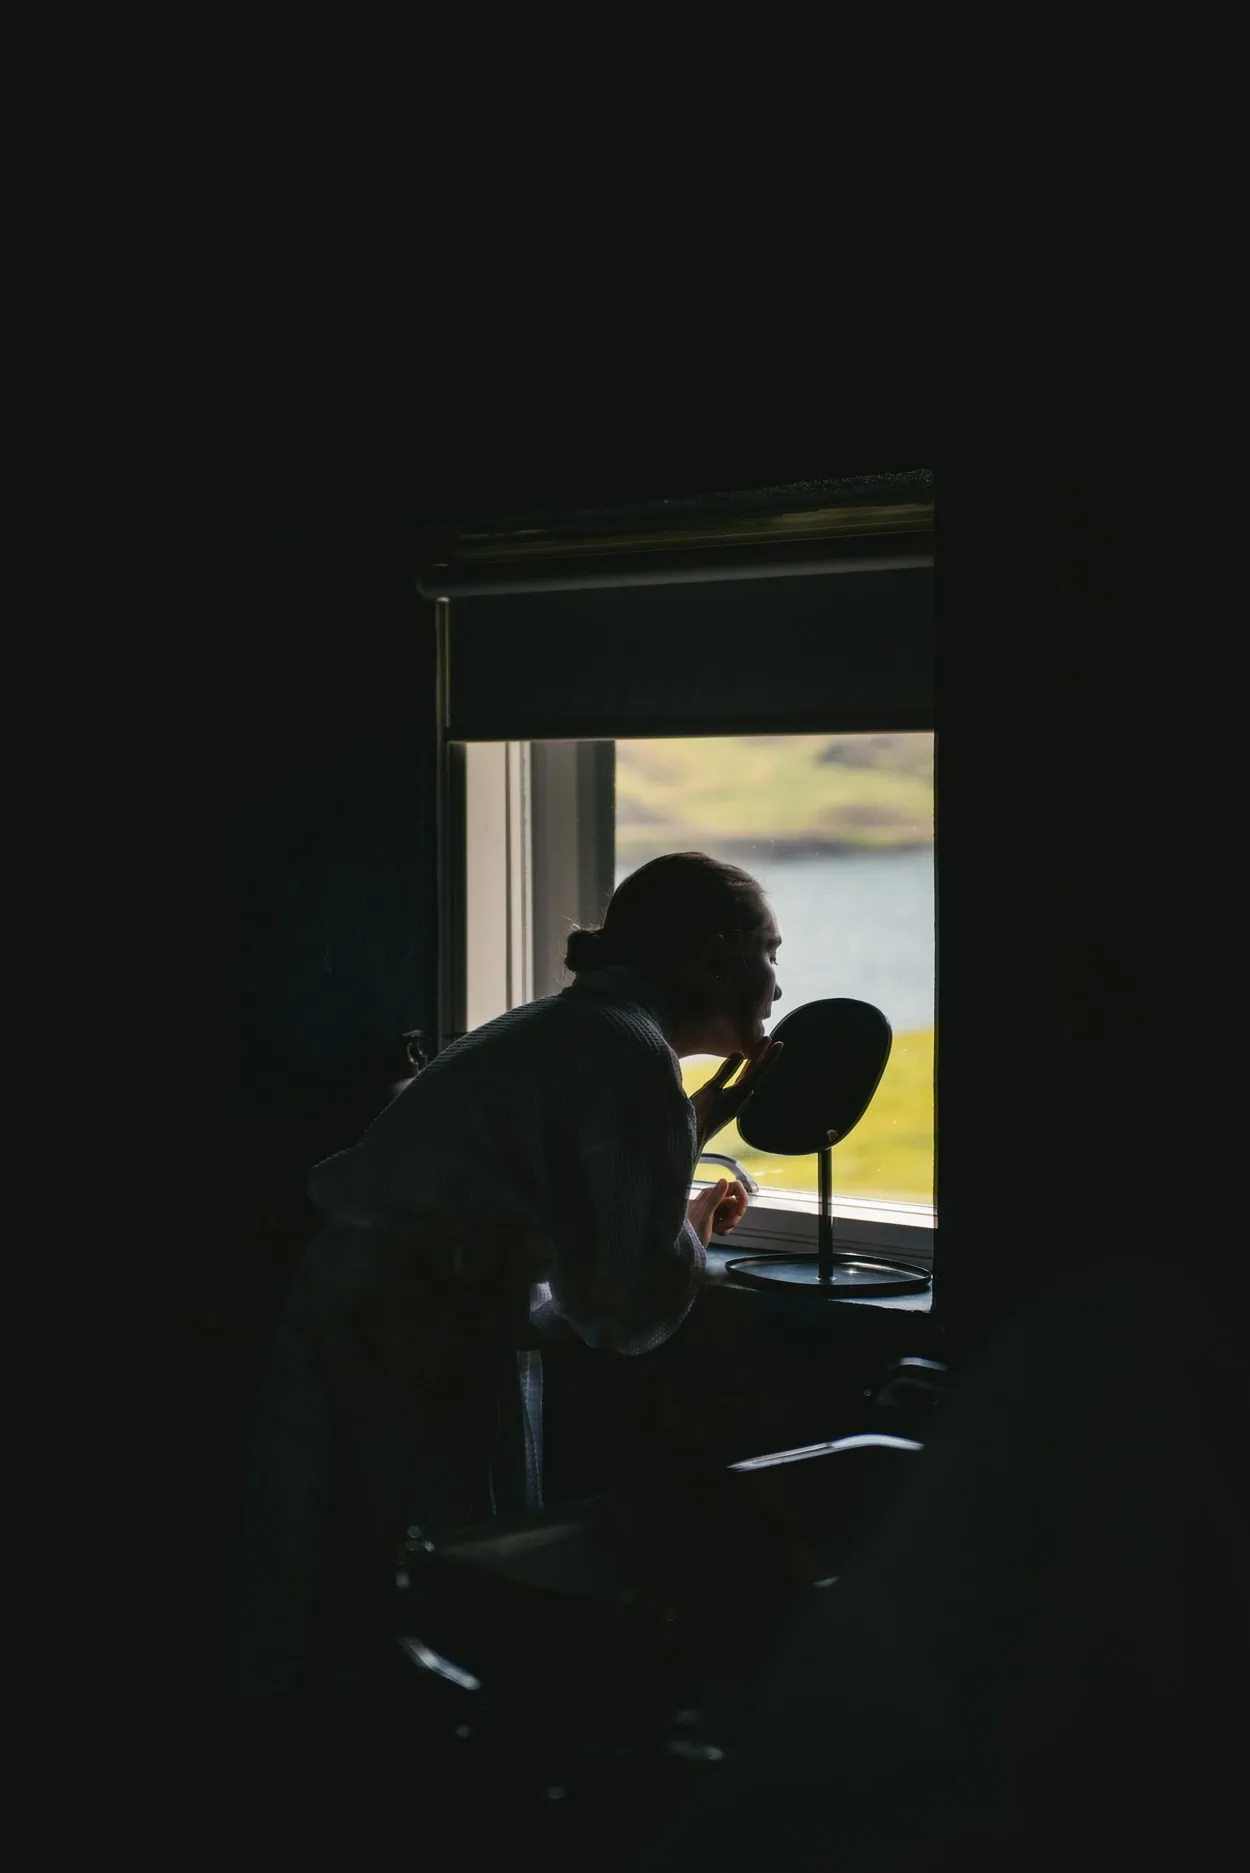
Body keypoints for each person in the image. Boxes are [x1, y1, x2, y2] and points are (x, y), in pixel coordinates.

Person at [237, 852, 784, 1711]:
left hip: (363, 1309)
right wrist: (686, 1226)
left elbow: (583, 1164)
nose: (778, 985)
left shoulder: (578, 1031)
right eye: (769, 951)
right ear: (714, 958)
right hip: (420, 1342)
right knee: (440, 1587)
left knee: (323, 1563)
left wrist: (690, 1128)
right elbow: (622, 1308)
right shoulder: (631, 1056)